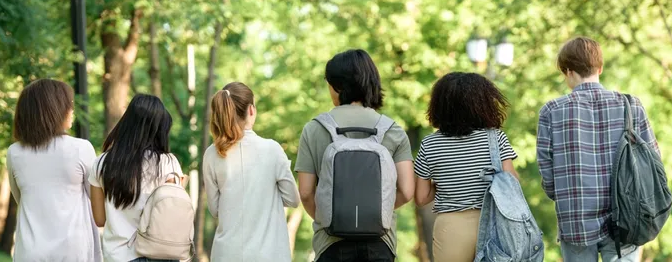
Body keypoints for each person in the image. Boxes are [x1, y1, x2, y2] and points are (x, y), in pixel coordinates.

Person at [536, 37, 659, 262]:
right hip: (627, 216)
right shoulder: (631, 105)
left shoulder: (551, 111)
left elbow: (547, 172)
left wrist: (565, 195)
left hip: (575, 218)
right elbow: (653, 161)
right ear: (599, 68)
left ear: (568, 71)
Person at [295, 49, 415, 262]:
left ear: (338, 87)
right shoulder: (392, 130)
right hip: (380, 243)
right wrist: (375, 212)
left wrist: (333, 217)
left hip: (331, 243)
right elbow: (406, 191)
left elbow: (305, 192)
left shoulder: (314, 129)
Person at [412, 72, 519, 262]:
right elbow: (512, 183)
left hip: (451, 228)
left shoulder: (430, 144)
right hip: (495, 225)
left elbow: (421, 197)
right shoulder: (495, 139)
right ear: (483, 103)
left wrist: (446, 182)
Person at [202, 82, 300, 261]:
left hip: (226, 255)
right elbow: (293, 199)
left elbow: (215, 209)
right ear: (251, 110)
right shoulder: (272, 149)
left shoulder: (211, 154)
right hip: (268, 255)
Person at [7, 79, 102, 262]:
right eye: (69, 104)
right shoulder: (81, 148)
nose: (72, 110)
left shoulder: (15, 153)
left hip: (29, 252)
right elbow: (96, 199)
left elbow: (21, 198)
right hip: (73, 250)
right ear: (54, 110)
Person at [89, 94, 186, 262]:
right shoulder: (167, 163)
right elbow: (172, 217)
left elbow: (99, 219)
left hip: (118, 256)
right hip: (159, 255)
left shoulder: (101, 163)